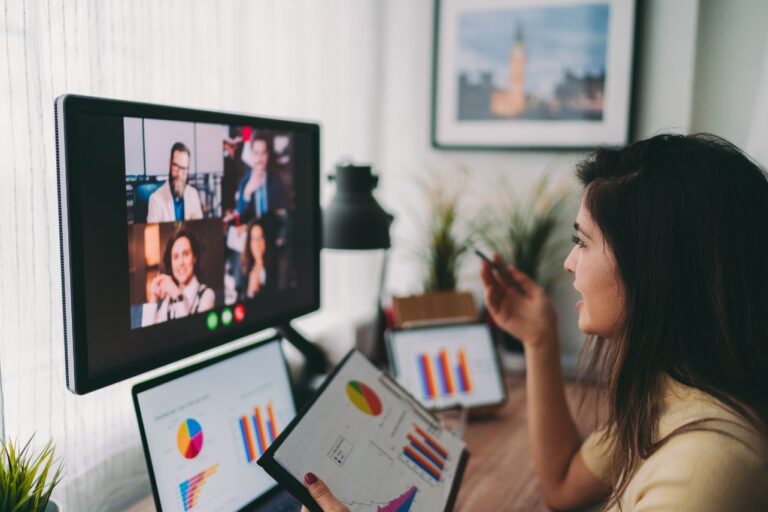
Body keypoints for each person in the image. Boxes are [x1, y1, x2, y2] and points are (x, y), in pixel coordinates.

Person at [299, 133, 768, 511]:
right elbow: (564, 484)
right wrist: (539, 338)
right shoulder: (669, 397)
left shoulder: (708, 465)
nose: (568, 263)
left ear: (652, 270)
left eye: (582, 242)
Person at [142, 230, 215, 326]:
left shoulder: (207, 295)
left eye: (185, 254)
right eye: (175, 257)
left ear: (194, 258)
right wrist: (153, 298)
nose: (181, 263)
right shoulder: (169, 298)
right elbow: (148, 335)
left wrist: (176, 295)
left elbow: (192, 333)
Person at [234, 133, 287, 222]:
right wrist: (247, 192)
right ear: (251, 155)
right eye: (256, 153)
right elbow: (238, 220)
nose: (260, 158)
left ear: (268, 155)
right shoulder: (243, 182)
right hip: (252, 233)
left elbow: (283, 212)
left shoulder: (276, 179)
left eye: (263, 153)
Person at [146, 142, 204, 223]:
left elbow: (199, 229)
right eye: (176, 166)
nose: (179, 174)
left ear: (188, 169)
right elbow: (152, 235)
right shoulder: (155, 200)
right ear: (170, 164)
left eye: (183, 168)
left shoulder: (193, 194)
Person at [238, 219, 274, 299]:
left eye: (260, 237)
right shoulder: (245, 268)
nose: (257, 243)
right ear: (249, 243)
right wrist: (250, 292)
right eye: (253, 239)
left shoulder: (277, 265)